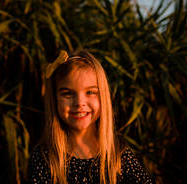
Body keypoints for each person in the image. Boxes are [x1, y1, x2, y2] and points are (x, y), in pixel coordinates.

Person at [27, 50, 153, 184]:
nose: (79, 103)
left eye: (90, 92)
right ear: (54, 99)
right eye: (68, 94)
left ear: (103, 96)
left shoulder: (118, 154)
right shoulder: (45, 158)